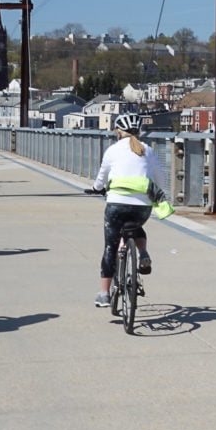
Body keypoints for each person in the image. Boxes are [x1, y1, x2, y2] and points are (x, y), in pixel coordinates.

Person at [84, 113, 165, 308]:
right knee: (136, 227)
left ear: (118, 133)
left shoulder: (113, 150)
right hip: (143, 205)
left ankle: (104, 293)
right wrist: (159, 195)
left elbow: (102, 177)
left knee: (111, 246)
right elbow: (160, 179)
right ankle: (143, 253)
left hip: (117, 203)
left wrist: (96, 189)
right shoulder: (147, 150)